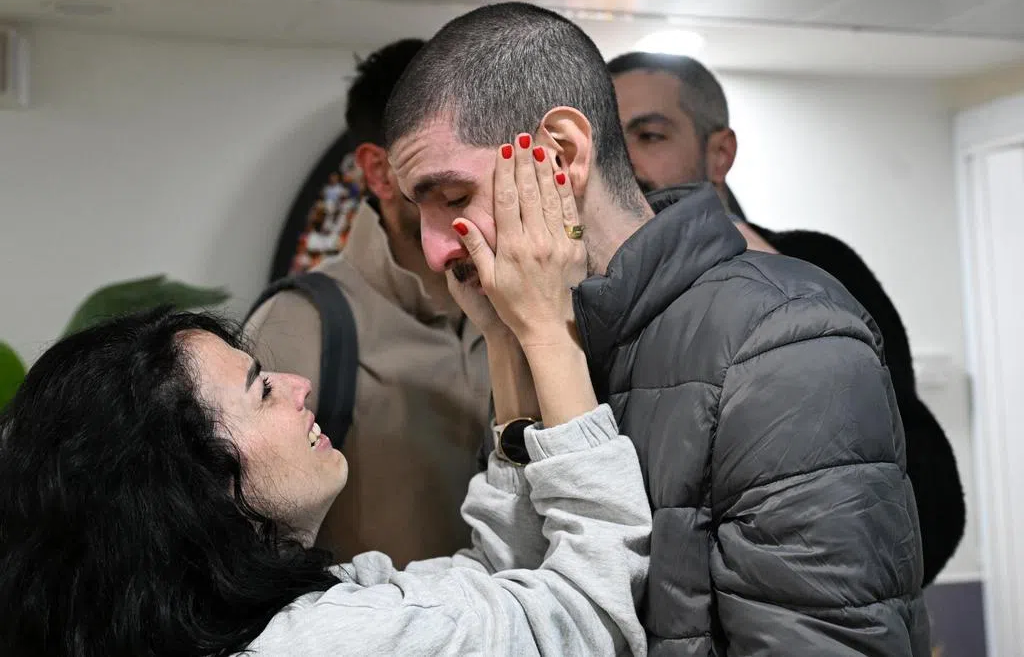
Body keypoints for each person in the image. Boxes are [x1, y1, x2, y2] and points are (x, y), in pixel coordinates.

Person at [385, 2, 929, 655]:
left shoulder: (785, 342)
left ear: (561, 154)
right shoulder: (548, 339)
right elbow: (525, 607)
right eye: (420, 213)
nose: (435, 250)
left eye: (453, 199)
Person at [0, 148, 652, 657]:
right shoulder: (315, 641)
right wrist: (548, 328)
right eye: (261, 388)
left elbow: (488, 591)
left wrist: (503, 339)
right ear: (189, 485)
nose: (298, 384)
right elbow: (585, 622)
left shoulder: (232, 620)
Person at [607, 51, 965, 586]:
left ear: (719, 153)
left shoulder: (815, 268)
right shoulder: (591, 303)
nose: (624, 162)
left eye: (649, 136)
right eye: (609, 143)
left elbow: (915, 477)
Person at [246, 39, 493, 568]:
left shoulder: (527, 307)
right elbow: (247, 543)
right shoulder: (301, 322)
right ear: (380, 172)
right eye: (449, 173)